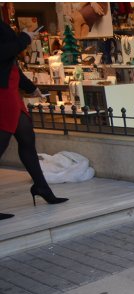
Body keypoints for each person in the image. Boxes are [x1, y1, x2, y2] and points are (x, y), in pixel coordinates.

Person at [1, 20, 68, 220]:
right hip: (3, 91)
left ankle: (41, 187)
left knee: (27, 138)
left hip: (10, 88)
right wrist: (24, 39)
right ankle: (41, 186)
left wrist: (30, 88)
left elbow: (9, 61)